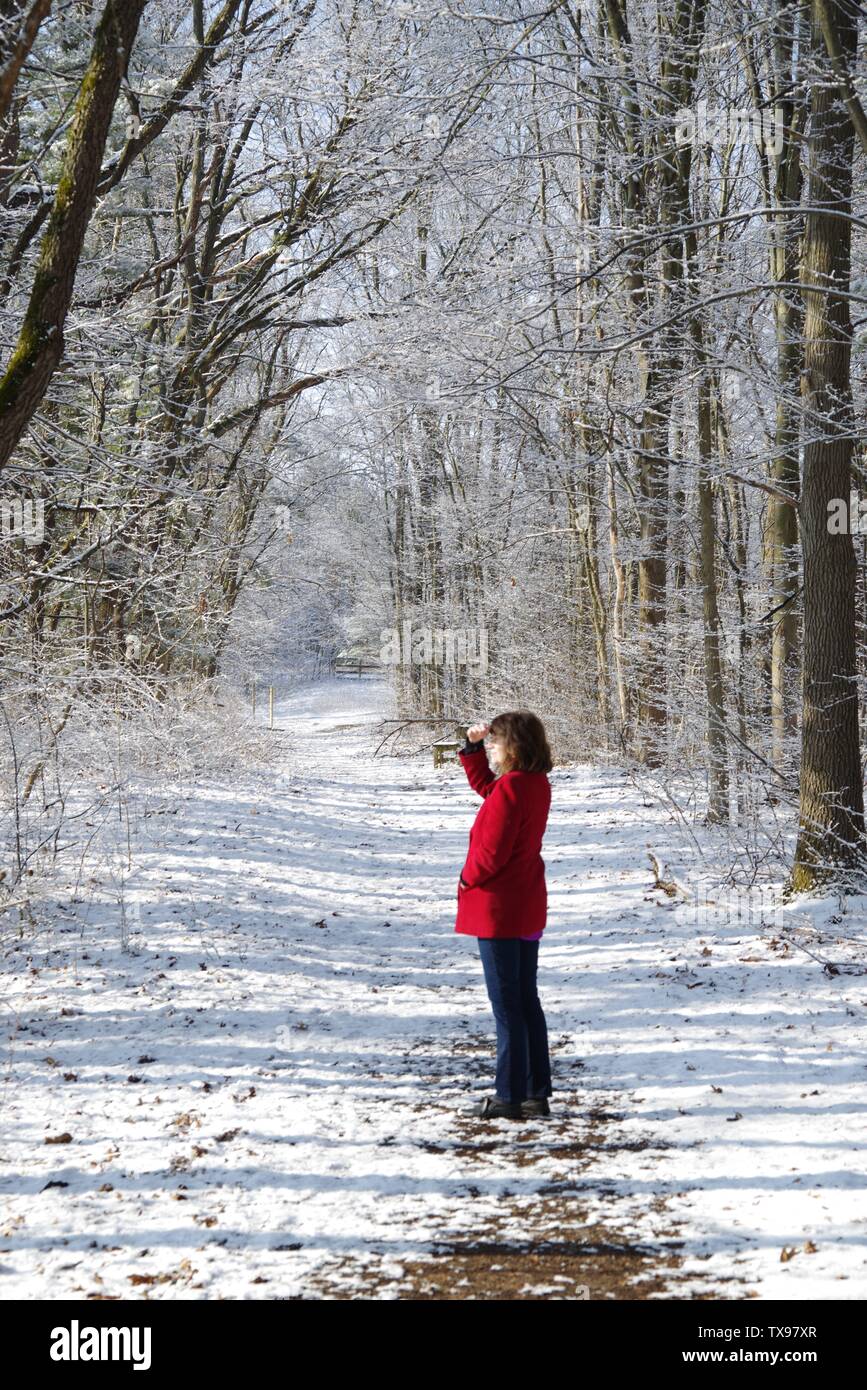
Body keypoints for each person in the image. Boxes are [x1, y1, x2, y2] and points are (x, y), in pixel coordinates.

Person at [455, 711, 554, 1122]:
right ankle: (535, 1091)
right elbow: (491, 792)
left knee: (507, 1006)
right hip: (527, 905)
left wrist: (466, 879)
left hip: (499, 909)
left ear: (513, 745)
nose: (492, 747)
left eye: (495, 742)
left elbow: (490, 853)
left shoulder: (512, 789)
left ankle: (508, 1096)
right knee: (525, 1000)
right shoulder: (533, 784)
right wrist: (473, 749)